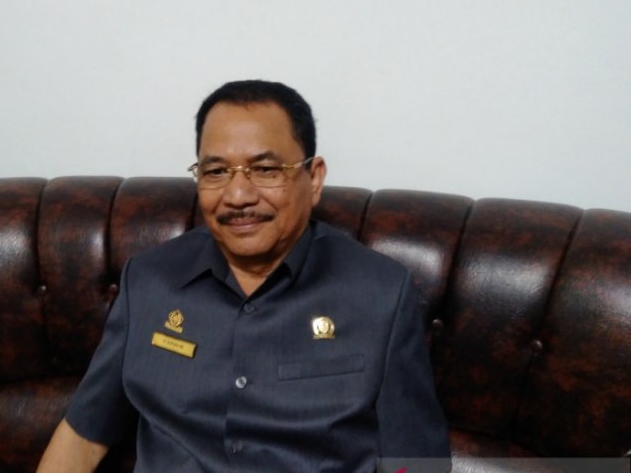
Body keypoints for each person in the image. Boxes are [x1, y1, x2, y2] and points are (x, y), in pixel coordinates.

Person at [38, 80, 450, 472]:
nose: (238, 196)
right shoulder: (148, 281)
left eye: (266, 169)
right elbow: (83, 437)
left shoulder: (380, 295)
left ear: (314, 178)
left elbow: (415, 463)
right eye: (216, 172)